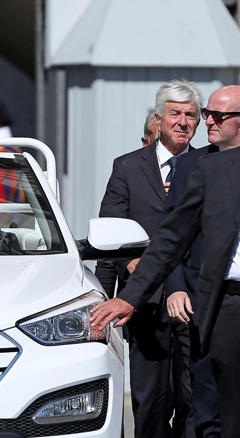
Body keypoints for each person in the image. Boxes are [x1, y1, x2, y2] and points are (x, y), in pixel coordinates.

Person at [91, 75, 240, 436]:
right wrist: (129, 296)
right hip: (230, 310)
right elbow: (171, 239)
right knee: (237, 419)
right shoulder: (215, 170)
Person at [94, 79, 202, 438]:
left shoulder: (211, 166)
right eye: (176, 114)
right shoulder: (128, 167)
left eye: (191, 115)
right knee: (152, 402)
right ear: (158, 119)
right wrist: (125, 271)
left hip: (195, 301)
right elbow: (111, 232)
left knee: (194, 400)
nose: (183, 122)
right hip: (146, 304)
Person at [155, 85, 240, 437]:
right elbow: (171, 236)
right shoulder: (192, 164)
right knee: (200, 406)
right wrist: (175, 288)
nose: (206, 121)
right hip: (198, 304)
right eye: (206, 113)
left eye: (217, 116)